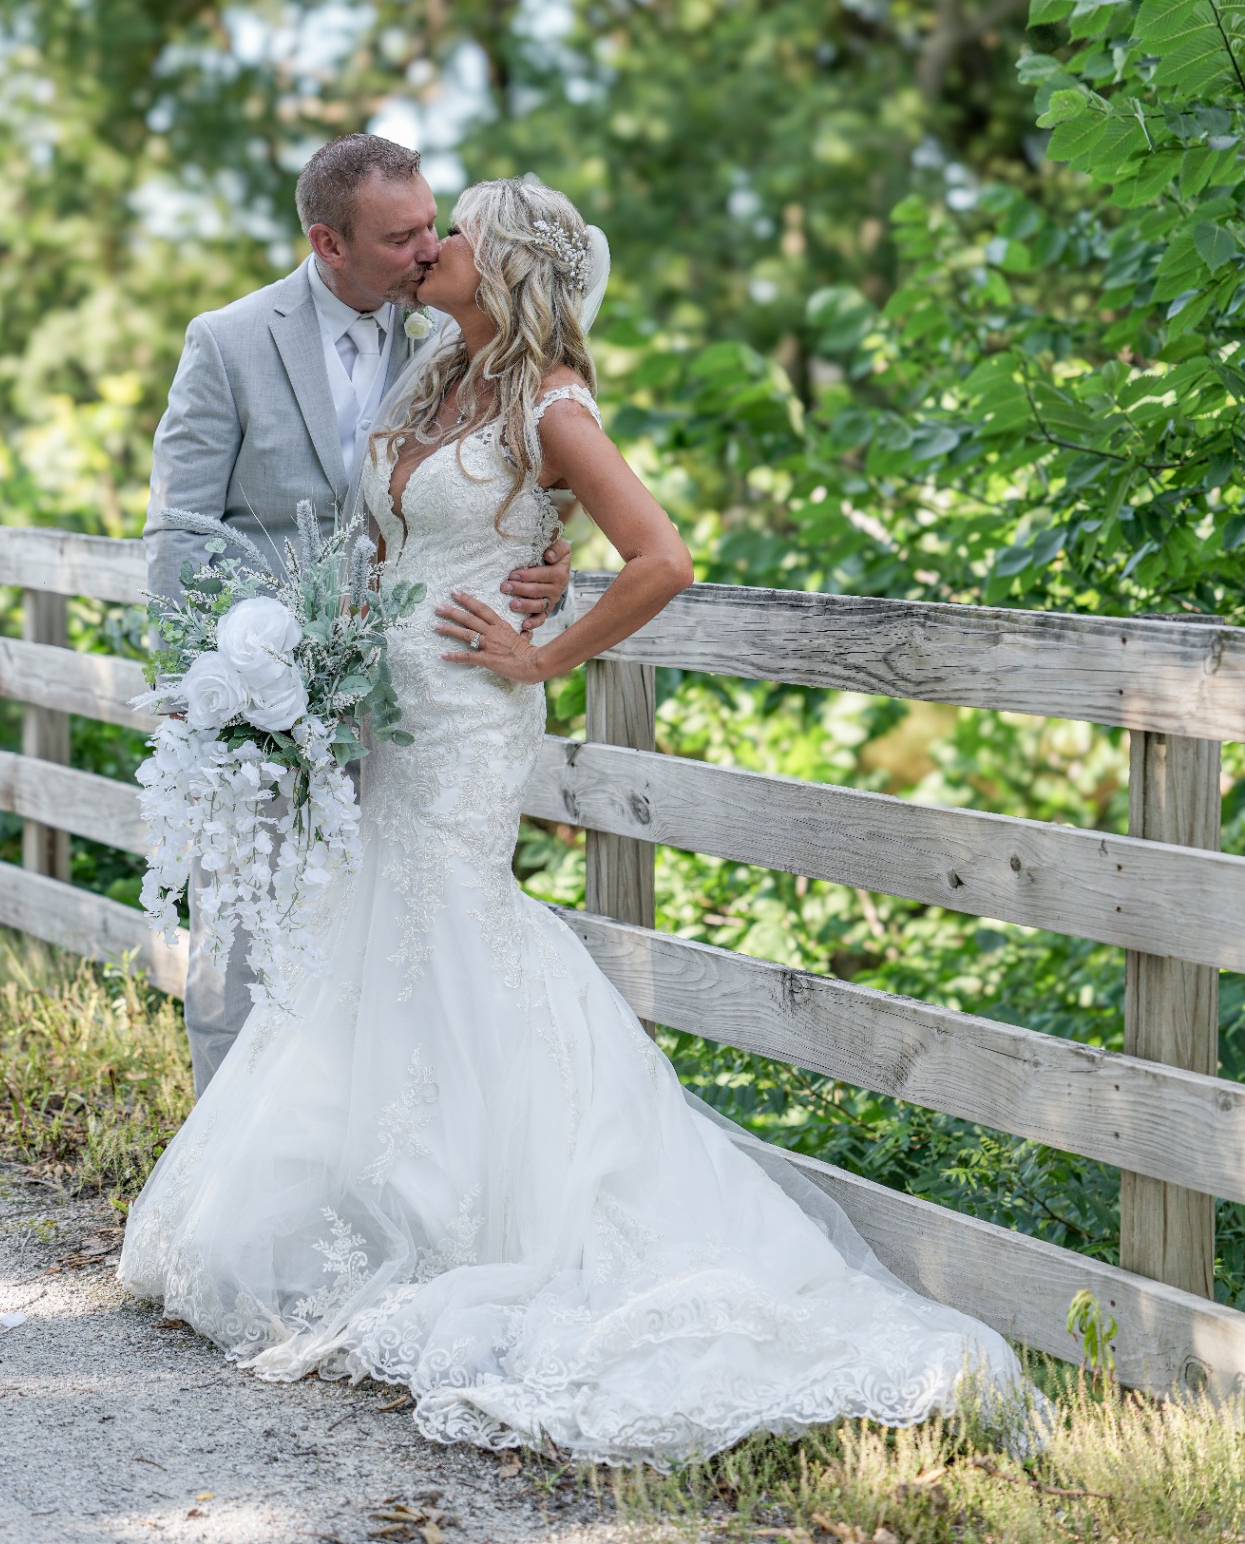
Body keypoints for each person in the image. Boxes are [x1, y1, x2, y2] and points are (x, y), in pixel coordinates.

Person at [121, 175, 1026, 1460]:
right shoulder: (435, 373)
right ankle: (385, 1208)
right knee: (374, 937)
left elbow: (663, 556)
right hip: (381, 705)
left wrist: (547, 646)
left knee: (454, 921)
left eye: (456, 231)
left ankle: (508, 1215)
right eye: (420, 230)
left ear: (504, 266)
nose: (434, 245)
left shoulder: (550, 399)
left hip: (469, 711)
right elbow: (382, 531)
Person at [145, 135, 571, 1093]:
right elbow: (178, 526)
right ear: (327, 243)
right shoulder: (228, 340)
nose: (429, 250)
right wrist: (204, 677)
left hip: (408, 707)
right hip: (255, 693)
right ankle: (223, 1160)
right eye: (399, 237)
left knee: (368, 953)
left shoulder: (451, 343)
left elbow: (507, 490)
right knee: (237, 944)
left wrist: (551, 559)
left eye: (432, 227)